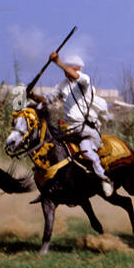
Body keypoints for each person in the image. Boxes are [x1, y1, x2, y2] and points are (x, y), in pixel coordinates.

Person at [29, 52, 113, 196]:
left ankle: (104, 179)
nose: (65, 72)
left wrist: (57, 61)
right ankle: (49, 186)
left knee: (87, 152)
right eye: (65, 69)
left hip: (85, 129)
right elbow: (46, 100)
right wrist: (32, 96)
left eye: (68, 69)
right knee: (50, 148)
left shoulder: (84, 80)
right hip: (68, 129)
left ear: (77, 68)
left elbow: (75, 76)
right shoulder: (62, 85)